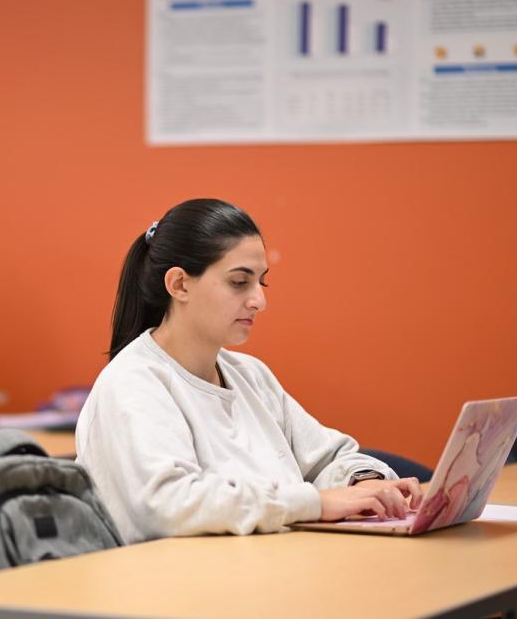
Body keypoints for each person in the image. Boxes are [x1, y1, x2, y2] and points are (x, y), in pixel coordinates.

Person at [76, 199, 423, 543]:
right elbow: (171, 505)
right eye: (239, 282)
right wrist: (313, 503)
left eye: (261, 282)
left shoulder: (250, 374)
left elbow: (326, 458)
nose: (259, 300)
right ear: (179, 285)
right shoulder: (134, 382)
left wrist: (364, 483)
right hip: (180, 588)